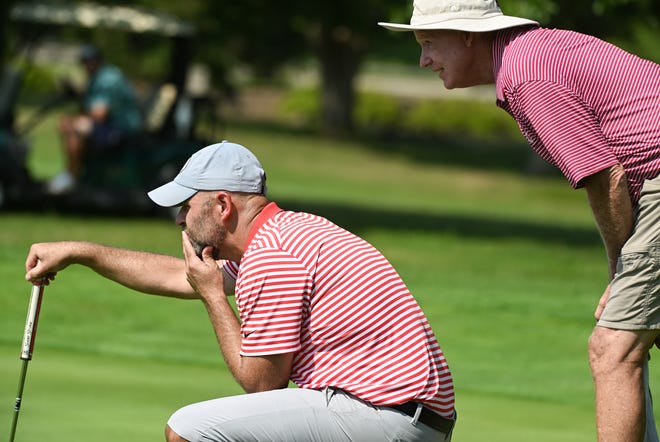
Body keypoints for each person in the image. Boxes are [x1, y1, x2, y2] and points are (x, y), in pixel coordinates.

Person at [25, 141, 457, 442]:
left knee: (189, 431)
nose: (179, 220)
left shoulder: (273, 256)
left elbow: (263, 385)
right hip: (397, 415)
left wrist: (214, 295)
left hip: (383, 417)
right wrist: (81, 252)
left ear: (222, 205)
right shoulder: (285, 233)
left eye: (186, 207)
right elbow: (179, 276)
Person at [378, 1, 660, 441]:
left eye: (429, 42)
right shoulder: (529, 55)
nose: (423, 59)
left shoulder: (526, 74)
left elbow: (606, 178)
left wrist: (618, 270)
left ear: (469, 35)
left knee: (613, 349)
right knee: (630, 340)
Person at [48, 44, 142, 194]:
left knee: (74, 126)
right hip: (110, 125)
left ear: (97, 60)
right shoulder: (97, 77)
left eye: (88, 61)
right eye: (84, 62)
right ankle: (73, 174)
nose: (86, 65)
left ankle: (70, 176)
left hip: (120, 128)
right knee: (68, 123)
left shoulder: (108, 79)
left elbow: (100, 113)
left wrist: (75, 118)